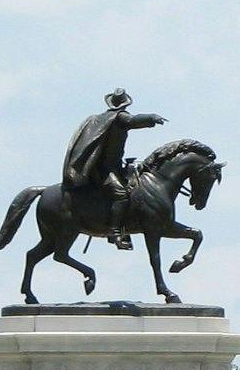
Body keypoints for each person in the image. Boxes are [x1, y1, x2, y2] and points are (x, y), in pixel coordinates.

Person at [62, 88, 164, 250]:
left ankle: (124, 227)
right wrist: (151, 117)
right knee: (121, 194)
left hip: (115, 165)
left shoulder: (100, 119)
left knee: (136, 188)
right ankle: (115, 233)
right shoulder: (118, 117)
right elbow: (133, 121)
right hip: (104, 169)